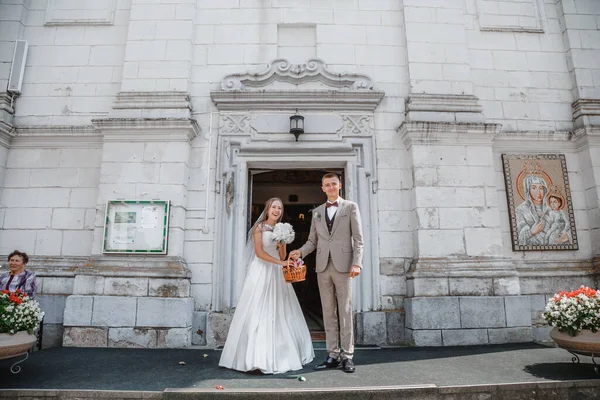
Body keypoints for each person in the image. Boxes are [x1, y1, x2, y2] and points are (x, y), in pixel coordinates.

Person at [219, 197, 314, 374]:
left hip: (277, 271)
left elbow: (282, 255)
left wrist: (282, 245)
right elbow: (260, 253)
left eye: (279, 208)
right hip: (261, 270)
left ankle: (281, 353)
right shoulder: (259, 227)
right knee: (257, 309)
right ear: (268, 209)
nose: (277, 210)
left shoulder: (281, 229)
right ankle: (253, 356)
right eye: (273, 207)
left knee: (280, 310)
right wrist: (281, 264)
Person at [290, 173, 364, 373]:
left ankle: (347, 356)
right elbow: (312, 241)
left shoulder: (350, 207)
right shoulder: (317, 212)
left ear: (339, 185)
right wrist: (300, 252)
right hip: (322, 268)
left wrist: (356, 264)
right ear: (322, 188)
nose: (331, 187)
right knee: (328, 313)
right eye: (327, 185)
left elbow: (358, 240)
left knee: (345, 312)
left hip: (344, 267)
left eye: (334, 184)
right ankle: (332, 355)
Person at [515, 173, 549, 246]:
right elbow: (517, 234)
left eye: (541, 188)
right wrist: (530, 232)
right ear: (528, 190)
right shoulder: (520, 210)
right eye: (534, 188)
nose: (538, 192)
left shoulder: (550, 209)